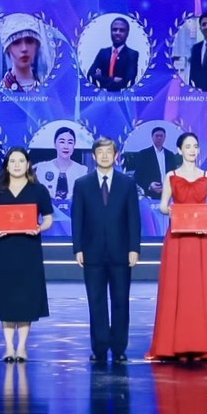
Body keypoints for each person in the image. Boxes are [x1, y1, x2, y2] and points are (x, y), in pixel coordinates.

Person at [147, 132, 207, 361]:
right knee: (178, 289)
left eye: (195, 146)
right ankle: (175, 345)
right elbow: (163, 206)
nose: (192, 150)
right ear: (179, 150)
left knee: (203, 289)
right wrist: (173, 211)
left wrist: (205, 218)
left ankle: (206, 345)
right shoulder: (171, 176)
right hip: (178, 239)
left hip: (201, 239)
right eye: (188, 146)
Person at [71, 138, 142, 362]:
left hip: (121, 251)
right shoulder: (82, 184)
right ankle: (99, 347)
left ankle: (119, 348)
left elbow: (134, 218)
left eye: (108, 152)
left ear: (116, 155)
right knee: (96, 301)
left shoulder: (127, 184)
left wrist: (134, 248)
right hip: (91, 252)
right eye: (100, 152)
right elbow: (77, 218)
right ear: (93, 156)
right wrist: (78, 247)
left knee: (121, 301)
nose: (104, 156)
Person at [0, 147, 54, 361]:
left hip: (29, 250)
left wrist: (39, 228)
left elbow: (48, 218)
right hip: (3, 250)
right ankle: (8, 347)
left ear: (28, 164)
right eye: (12, 161)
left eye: (21, 161)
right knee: (6, 298)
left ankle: (21, 347)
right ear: (6, 165)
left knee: (26, 299)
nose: (16, 165)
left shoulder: (38, 190)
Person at [33, 126, 88, 199]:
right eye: (62, 142)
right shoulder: (42, 168)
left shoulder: (82, 171)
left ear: (74, 145)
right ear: (55, 144)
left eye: (70, 142)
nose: (66, 146)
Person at [0, 14, 45, 92]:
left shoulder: (49, 89)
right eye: (16, 42)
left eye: (29, 41)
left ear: (36, 46)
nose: (24, 49)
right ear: (8, 48)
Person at [88, 17, 140, 91]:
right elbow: (90, 75)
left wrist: (101, 78)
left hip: (121, 96)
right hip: (101, 95)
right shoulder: (103, 52)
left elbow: (128, 80)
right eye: (114, 30)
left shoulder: (132, 54)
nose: (117, 33)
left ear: (127, 33)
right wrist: (113, 80)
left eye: (122, 30)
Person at [127, 126, 179, 199]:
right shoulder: (143, 154)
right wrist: (149, 185)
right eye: (157, 136)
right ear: (152, 137)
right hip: (150, 196)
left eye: (161, 136)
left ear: (165, 137)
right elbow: (138, 176)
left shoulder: (170, 155)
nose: (159, 138)